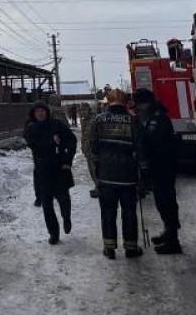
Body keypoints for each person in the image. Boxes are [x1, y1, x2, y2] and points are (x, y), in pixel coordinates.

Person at [88, 89, 144, 259]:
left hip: (106, 175)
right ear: (124, 102)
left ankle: (109, 248)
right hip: (128, 175)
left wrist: (98, 165)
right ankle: (131, 248)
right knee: (129, 212)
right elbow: (140, 146)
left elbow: (93, 146)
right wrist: (142, 170)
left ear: (108, 102)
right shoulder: (133, 120)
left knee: (108, 212)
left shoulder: (98, 120)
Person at [134, 87, 183, 254]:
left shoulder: (158, 119)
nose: (138, 108)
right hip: (159, 168)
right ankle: (168, 232)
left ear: (145, 103)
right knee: (162, 201)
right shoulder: (152, 116)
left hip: (163, 167)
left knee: (166, 201)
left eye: (139, 105)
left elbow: (154, 143)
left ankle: (173, 240)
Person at [23, 102, 77, 244]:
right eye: (37, 111)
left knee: (64, 198)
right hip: (43, 171)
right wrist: (52, 142)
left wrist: (67, 160)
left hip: (60, 168)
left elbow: (71, 140)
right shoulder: (30, 128)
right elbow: (35, 146)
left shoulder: (56, 124)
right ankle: (54, 233)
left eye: (43, 111)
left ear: (47, 112)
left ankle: (66, 218)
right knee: (47, 205)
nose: (40, 114)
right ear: (33, 114)